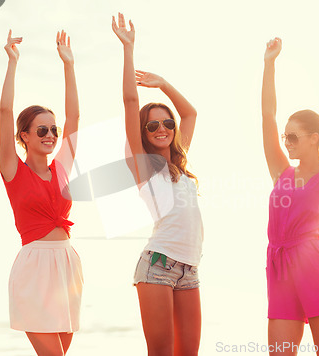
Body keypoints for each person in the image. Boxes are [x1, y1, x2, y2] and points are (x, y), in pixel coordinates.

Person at [112, 13, 203, 356]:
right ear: (143, 133)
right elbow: (130, 102)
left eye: (167, 122)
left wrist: (163, 83)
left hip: (190, 269)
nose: (162, 128)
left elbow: (191, 114)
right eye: (152, 126)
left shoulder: (179, 164)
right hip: (158, 266)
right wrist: (128, 49)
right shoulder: (144, 167)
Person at [262, 37, 319, 356]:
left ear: (314, 138)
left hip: (315, 270)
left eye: (293, 137)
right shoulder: (281, 172)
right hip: (280, 270)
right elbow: (267, 116)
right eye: (284, 137)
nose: (286, 142)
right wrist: (269, 63)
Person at [0, 29, 82, 356]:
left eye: (53, 130)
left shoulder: (61, 168)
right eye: (42, 130)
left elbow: (74, 117)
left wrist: (69, 66)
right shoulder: (12, 170)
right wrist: (13, 63)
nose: (50, 135)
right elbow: (5, 112)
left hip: (66, 266)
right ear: (25, 136)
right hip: (34, 268)